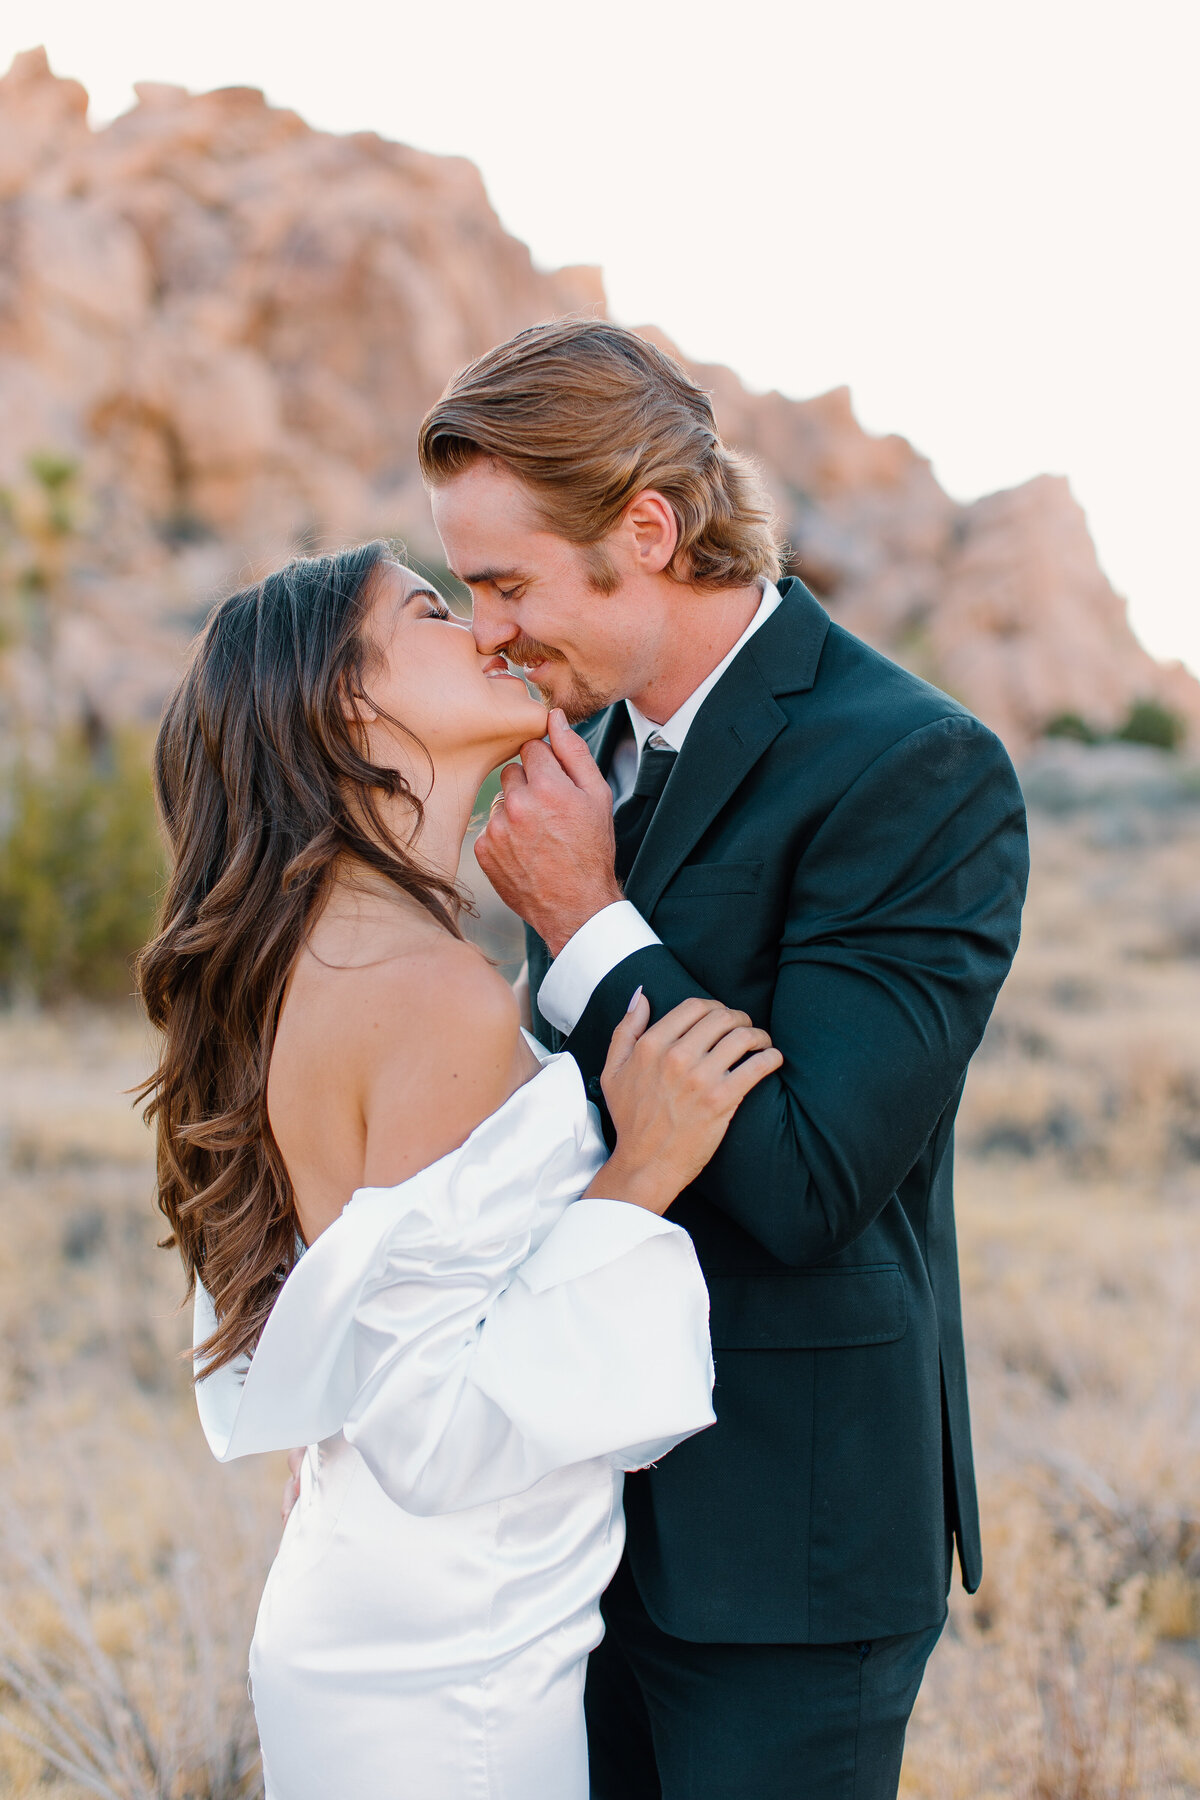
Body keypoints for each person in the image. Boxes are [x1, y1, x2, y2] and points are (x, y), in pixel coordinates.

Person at [418, 318, 1030, 1800]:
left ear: (647, 526)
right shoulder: (592, 750)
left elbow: (813, 1176)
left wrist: (585, 915)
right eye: (466, 589)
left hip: (786, 1552)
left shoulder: (912, 767)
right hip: (570, 1524)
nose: (485, 630)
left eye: (507, 582)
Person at [135, 542, 784, 1800]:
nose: (489, 631)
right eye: (432, 612)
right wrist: (637, 1176)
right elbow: (437, 1424)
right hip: (454, 1657)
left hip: (382, 1597)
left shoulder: (309, 958)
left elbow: (362, 1320)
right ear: (347, 705)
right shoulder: (429, 993)